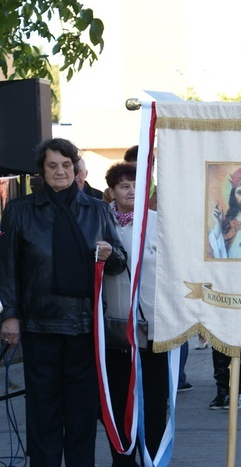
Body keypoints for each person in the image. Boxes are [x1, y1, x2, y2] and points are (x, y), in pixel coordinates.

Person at [0, 138, 127, 465]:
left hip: (86, 326)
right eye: (52, 165)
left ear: (75, 169)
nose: (60, 171)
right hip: (39, 324)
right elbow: (8, 267)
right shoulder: (20, 210)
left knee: (82, 410)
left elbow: (119, 262)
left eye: (66, 165)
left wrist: (110, 255)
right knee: (43, 408)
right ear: (42, 171)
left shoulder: (98, 210)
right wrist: (10, 315)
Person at [103, 162, 168, 465]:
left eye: (136, 185)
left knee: (154, 402)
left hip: (153, 331)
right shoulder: (102, 224)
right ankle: (123, 458)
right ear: (112, 191)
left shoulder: (160, 223)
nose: (130, 191)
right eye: (123, 185)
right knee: (118, 402)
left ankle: (153, 457)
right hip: (114, 332)